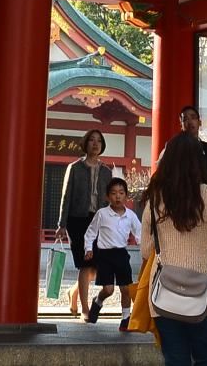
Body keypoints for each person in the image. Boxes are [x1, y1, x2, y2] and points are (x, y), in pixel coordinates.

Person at [139, 132, 207, 366]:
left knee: (175, 359)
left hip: (163, 295)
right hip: (203, 296)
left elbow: (144, 250)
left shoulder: (155, 197)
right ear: (199, 162)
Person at [58, 129, 117, 316]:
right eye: (92, 140)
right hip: (78, 221)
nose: (95, 143)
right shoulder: (74, 168)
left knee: (95, 267)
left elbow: (112, 199)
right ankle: (85, 308)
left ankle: (73, 292)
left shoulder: (107, 172)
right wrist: (62, 224)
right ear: (86, 143)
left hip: (99, 221)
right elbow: (65, 197)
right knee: (85, 264)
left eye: (99, 141)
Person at [82, 178, 141, 326]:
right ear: (107, 196)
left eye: (121, 193)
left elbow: (139, 233)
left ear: (126, 196)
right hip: (105, 256)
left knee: (126, 289)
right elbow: (90, 233)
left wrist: (145, 248)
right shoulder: (102, 214)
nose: (118, 196)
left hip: (121, 254)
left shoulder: (131, 215)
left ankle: (126, 318)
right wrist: (88, 248)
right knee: (108, 290)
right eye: (114, 193)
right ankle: (98, 301)